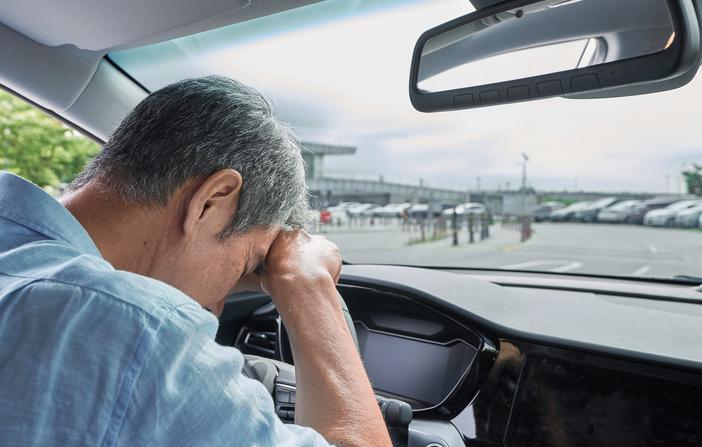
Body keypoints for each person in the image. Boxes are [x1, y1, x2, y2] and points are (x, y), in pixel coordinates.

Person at [0, 76, 391, 447]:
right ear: (211, 201)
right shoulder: (142, 328)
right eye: (246, 266)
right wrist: (305, 284)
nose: (216, 309)